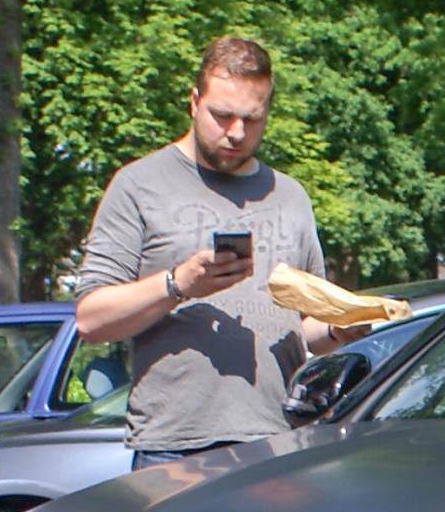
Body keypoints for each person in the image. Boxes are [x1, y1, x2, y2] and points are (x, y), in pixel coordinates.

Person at [70, 38, 365, 467]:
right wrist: (177, 284)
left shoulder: (291, 197)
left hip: (276, 442)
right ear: (193, 102)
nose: (237, 133)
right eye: (222, 116)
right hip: (174, 448)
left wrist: (340, 328)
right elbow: (91, 320)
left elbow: (304, 330)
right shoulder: (139, 185)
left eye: (253, 119)